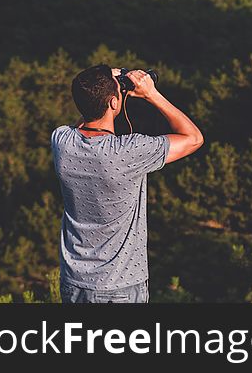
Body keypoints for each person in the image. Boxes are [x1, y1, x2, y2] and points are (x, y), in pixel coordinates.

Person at [51, 65, 204, 303]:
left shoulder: (61, 141)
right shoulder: (129, 151)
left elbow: (86, 116)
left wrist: (99, 88)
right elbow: (193, 138)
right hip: (119, 286)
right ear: (114, 103)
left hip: (74, 283)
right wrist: (151, 94)